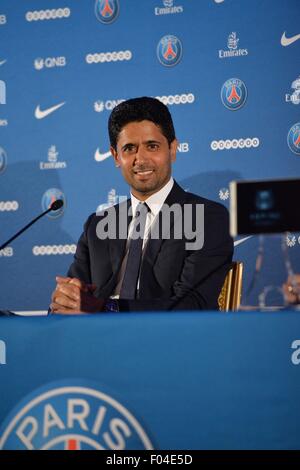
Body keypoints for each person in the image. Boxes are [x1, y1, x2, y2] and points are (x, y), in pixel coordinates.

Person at [50, 97, 233, 314]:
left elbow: (191, 305)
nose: (141, 158)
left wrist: (105, 307)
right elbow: (69, 303)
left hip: (166, 344)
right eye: (129, 148)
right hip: (96, 343)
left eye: (152, 146)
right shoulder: (97, 226)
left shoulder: (205, 217)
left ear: (173, 149)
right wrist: (65, 300)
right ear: (115, 156)